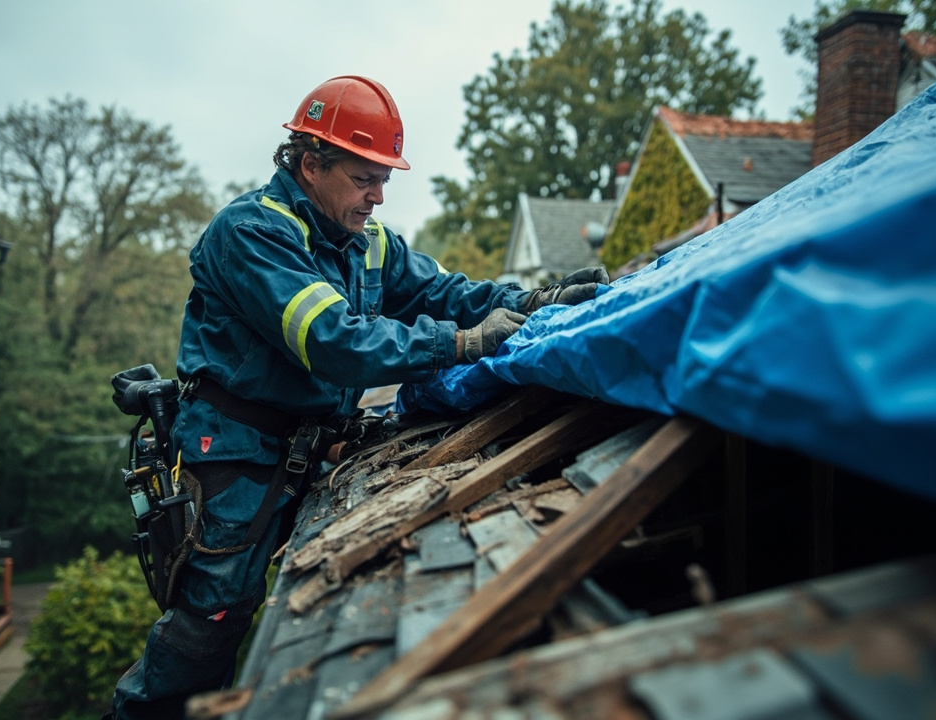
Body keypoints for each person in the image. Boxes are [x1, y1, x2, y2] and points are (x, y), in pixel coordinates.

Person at [110, 75, 607, 719]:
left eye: (384, 181)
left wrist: (528, 302)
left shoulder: (364, 240)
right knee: (212, 621)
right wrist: (458, 346)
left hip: (306, 448)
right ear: (311, 164)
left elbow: (445, 294)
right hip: (237, 457)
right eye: (364, 178)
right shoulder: (252, 234)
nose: (376, 198)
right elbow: (333, 341)